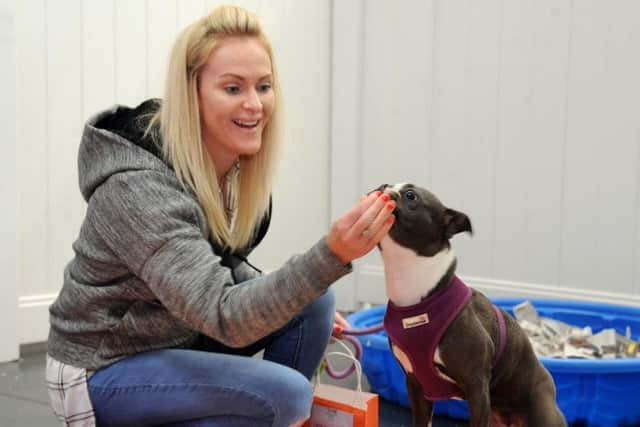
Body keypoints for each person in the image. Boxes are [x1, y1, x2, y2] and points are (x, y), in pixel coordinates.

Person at [45, 5, 395, 427]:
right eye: (232, 88)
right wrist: (330, 254)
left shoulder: (221, 169)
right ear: (191, 94)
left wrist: (302, 290)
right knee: (285, 393)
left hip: (173, 336)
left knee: (313, 304)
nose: (254, 104)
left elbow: (216, 272)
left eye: (263, 86)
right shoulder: (139, 190)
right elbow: (224, 316)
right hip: (102, 367)